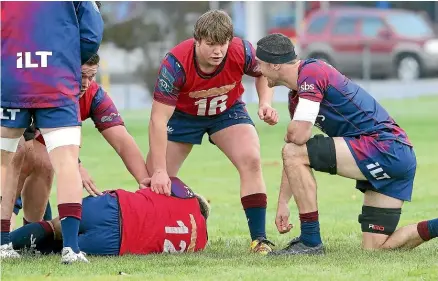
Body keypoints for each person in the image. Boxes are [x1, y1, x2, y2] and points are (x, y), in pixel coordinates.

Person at [254, 33, 437, 255]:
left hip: (384, 148)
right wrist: (283, 202)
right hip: (395, 157)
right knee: (375, 248)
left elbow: (298, 138)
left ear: (274, 65)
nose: (258, 70)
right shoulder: (298, 97)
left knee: (294, 150)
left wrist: (293, 133)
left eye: (260, 63)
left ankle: (311, 241)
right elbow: (294, 156)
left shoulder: (311, 72)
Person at [145, 9, 277, 254]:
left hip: (226, 111)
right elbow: (158, 120)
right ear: (197, 41)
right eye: (211, 44)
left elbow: (264, 73)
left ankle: (259, 239)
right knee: (153, 180)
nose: (218, 51)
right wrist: (160, 170)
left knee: (251, 159)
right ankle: (177, 216)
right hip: (183, 117)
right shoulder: (175, 64)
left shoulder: (242, 50)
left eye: (223, 44)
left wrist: (264, 103)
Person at [1, 2, 104, 262]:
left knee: (3, 162)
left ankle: (2, 244)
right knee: (67, 162)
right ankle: (70, 248)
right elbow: (92, 31)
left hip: (14, 76)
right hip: (56, 79)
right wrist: (68, 59)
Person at [8, 54, 149, 230]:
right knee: (26, 155)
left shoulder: (94, 95)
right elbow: (30, 136)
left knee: (43, 162)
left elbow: (122, 140)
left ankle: (32, 236)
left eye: (91, 76)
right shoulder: (43, 87)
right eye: (81, 75)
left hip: (41, 143)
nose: (86, 83)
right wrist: (75, 164)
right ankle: (6, 233)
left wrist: (145, 180)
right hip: (14, 137)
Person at [10, 177, 210, 257]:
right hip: (114, 245)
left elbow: (151, 182)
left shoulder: (186, 196)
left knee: (56, 228)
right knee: (61, 248)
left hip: (114, 207)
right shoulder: (200, 242)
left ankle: (6, 244)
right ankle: (24, 250)